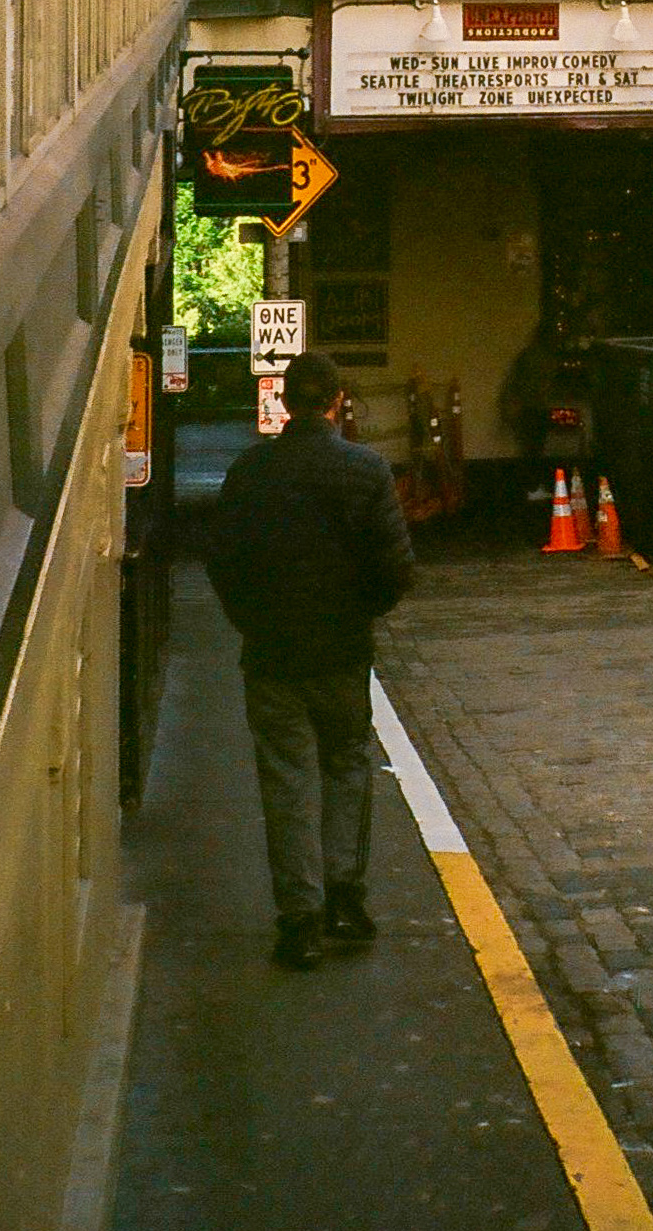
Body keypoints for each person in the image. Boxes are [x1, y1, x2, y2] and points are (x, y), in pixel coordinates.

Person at [204, 348, 415, 969]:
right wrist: (361, 612)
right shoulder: (366, 470)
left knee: (286, 778)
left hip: (271, 653)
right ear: (336, 401)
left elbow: (222, 562)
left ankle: (299, 920)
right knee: (347, 763)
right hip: (342, 651)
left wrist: (251, 620)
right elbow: (395, 568)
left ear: (283, 402)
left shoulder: (250, 472)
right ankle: (345, 896)